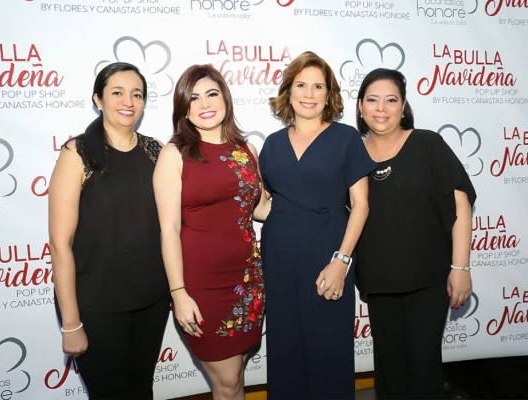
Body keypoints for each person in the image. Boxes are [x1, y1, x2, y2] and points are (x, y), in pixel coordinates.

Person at [259, 51, 376, 399]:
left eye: (318, 86)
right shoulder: (272, 144)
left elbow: (361, 206)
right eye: (301, 85)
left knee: (327, 354)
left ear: (329, 94)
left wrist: (341, 261)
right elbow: (266, 206)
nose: (309, 94)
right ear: (288, 91)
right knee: (284, 352)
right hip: (278, 259)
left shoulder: (345, 138)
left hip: (328, 256)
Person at [48, 62, 170, 399]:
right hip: (95, 303)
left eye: (137, 94)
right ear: (98, 99)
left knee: (141, 389)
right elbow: (60, 244)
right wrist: (71, 322)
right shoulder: (78, 153)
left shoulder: (156, 150)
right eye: (117, 92)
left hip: (151, 300)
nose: (128, 101)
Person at [355, 68, 477, 399]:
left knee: (424, 368)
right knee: (390, 372)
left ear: (403, 105)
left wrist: (461, 267)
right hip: (379, 282)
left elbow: (460, 206)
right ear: (361, 106)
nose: (381, 108)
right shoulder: (351, 154)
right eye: (373, 100)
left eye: (390, 100)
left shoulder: (427, 143)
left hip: (429, 280)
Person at [153, 64, 269, 400]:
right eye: (194, 97)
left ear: (225, 98)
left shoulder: (246, 150)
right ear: (183, 108)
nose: (204, 103)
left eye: (212, 94)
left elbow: (259, 208)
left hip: (248, 281)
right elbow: (169, 229)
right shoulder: (175, 154)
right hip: (201, 286)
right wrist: (178, 292)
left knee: (235, 376)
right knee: (228, 381)